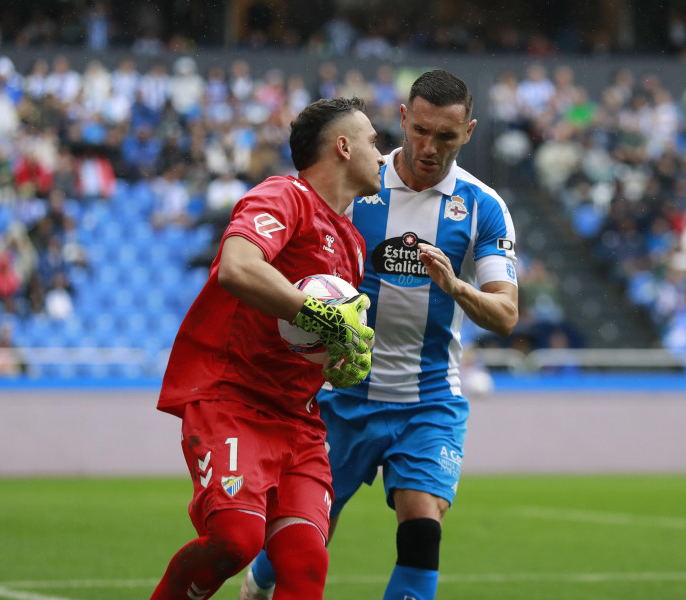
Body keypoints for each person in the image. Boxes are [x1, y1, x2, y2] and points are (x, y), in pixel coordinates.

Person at [243, 70, 519, 600]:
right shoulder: (358, 186)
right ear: (401, 119)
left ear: (470, 133)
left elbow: (505, 315)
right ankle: (259, 582)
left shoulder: (483, 207)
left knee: (422, 526)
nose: (429, 146)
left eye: (446, 136)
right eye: (420, 130)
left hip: (429, 399)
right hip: (342, 394)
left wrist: (456, 286)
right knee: (305, 537)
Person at [151, 96, 384, 600]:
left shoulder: (354, 245)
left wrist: (340, 361)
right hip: (232, 400)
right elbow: (237, 267)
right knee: (236, 541)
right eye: (372, 142)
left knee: (305, 562)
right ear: (342, 147)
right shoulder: (284, 196)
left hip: (297, 420)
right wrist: (314, 312)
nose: (382, 155)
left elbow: (319, 343)